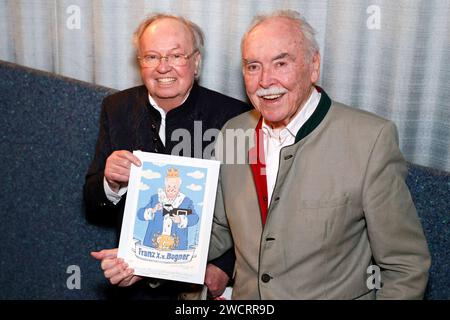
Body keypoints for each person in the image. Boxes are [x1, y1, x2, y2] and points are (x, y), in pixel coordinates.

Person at [207, 10, 431, 299]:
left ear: (314, 66)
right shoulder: (233, 133)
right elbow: (220, 228)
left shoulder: (370, 140)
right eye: (253, 67)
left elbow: (406, 267)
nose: (265, 80)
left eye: (281, 63)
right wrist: (143, 259)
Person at [84, 13, 250, 299]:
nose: (163, 67)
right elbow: (93, 206)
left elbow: (246, 209)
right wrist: (110, 182)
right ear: (140, 63)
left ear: (196, 62)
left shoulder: (232, 117)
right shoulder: (117, 107)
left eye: (176, 56)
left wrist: (224, 265)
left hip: (202, 281)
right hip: (135, 278)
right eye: (151, 57)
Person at [137, 168, 198, 250]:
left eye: (174, 187)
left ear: (179, 188)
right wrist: (153, 210)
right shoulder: (155, 199)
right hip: (152, 245)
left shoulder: (186, 202)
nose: (171, 189)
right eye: (169, 186)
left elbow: (195, 218)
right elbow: (140, 214)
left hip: (177, 247)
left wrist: (181, 219)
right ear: (164, 186)